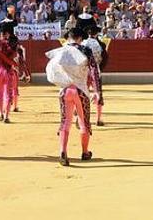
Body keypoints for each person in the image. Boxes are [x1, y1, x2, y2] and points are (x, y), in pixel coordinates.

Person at [45, 28, 102, 166]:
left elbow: (51, 72)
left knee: (65, 122)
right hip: (81, 90)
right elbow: (94, 71)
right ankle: (85, 152)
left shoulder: (60, 51)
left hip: (65, 91)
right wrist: (97, 91)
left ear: (68, 38)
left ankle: (62, 152)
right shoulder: (85, 50)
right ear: (80, 39)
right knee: (84, 123)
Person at [0, 23, 24, 123]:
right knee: (8, 94)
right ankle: (6, 116)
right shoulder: (11, 45)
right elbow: (15, 57)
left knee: (0, 94)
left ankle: (0, 113)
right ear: (6, 34)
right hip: (8, 71)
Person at [82, 26, 108, 126]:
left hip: (84, 70)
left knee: (82, 92)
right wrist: (100, 67)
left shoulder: (84, 43)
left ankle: (80, 116)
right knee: (98, 93)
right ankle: (98, 119)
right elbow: (104, 58)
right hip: (95, 70)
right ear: (96, 34)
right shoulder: (100, 44)